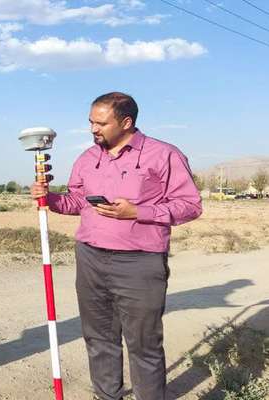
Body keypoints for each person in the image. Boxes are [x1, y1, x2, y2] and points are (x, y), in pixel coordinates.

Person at [31, 92, 202, 400]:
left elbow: (190, 205)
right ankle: (106, 395)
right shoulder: (88, 158)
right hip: (90, 258)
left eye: (101, 123)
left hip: (140, 262)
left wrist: (138, 212)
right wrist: (49, 197)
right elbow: (77, 202)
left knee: (143, 343)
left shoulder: (163, 155)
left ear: (127, 122)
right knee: (98, 338)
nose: (93, 129)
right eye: (90, 122)